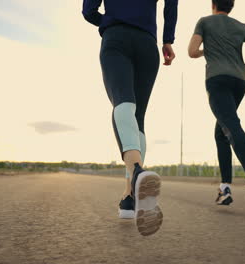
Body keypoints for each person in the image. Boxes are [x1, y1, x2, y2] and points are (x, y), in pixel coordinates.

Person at [82, 0, 178, 236]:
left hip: (116, 37)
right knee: (138, 118)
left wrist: (109, 21)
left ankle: (137, 172)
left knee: (123, 102)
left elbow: (88, 11)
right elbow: (172, 4)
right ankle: (129, 198)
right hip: (147, 44)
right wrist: (168, 39)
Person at [188, 0, 245, 223]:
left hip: (217, 80)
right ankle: (225, 188)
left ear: (213, 4)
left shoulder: (205, 22)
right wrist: (244, 66)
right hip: (239, 82)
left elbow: (191, 51)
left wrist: (205, 50)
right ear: (231, 6)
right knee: (221, 132)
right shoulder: (242, 26)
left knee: (230, 125)